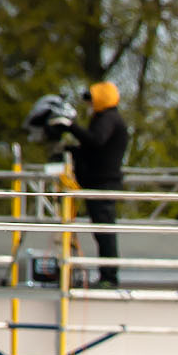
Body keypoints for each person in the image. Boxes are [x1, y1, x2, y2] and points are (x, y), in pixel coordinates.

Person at [64, 81, 130, 289]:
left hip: (103, 185)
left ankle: (109, 276)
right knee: (102, 231)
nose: (89, 105)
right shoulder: (104, 119)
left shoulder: (108, 119)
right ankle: (107, 274)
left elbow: (96, 141)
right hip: (98, 183)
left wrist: (70, 127)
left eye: (92, 100)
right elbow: (93, 148)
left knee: (104, 231)